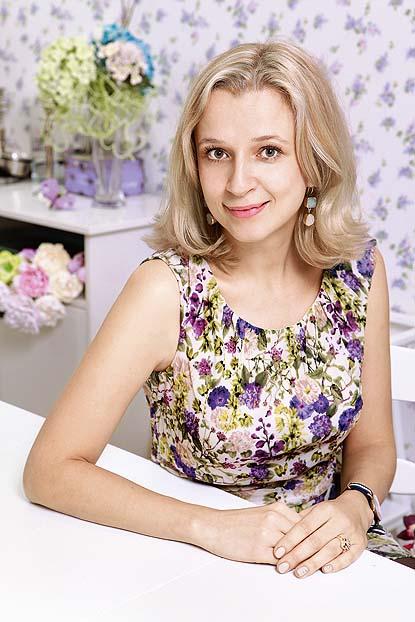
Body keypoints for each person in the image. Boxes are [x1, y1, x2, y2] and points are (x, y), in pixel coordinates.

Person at [23, 38, 414, 578]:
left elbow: (373, 444)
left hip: (333, 562)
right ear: (194, 162)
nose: (237, 183)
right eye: (217, 153)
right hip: (199, 566)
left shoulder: (359, 270)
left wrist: (356, 505)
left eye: (269, 151)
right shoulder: (166, 290)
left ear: (315, 159)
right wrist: (208, 526)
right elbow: (49, 470)